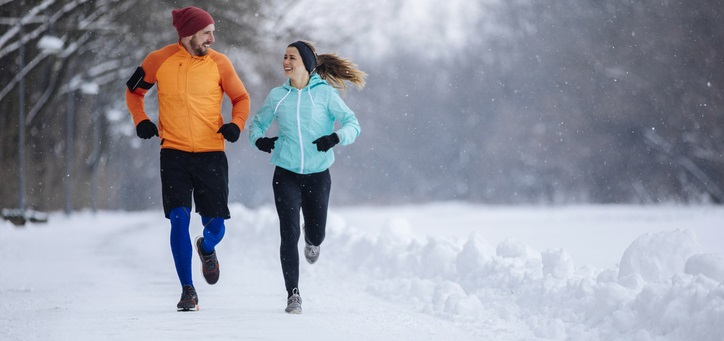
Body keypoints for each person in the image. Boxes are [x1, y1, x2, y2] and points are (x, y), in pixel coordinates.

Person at [125, 6, 250, 311]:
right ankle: (187, 290)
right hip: (174, 153)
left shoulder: (220, 63)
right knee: (179, 219)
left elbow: (241, 98)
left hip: (211, 154)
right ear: (189, 34)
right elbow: (133, 92)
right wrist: (140, 120)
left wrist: (235, 124)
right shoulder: (159, 60)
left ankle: (206, 248)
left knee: (216, 226)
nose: (212, 38)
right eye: (207, 32)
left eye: (212, 32)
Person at [248, 40, 365, 314]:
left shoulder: (325, 95)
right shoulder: (278, 96)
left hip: (318, 175)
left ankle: (313, 241)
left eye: (292, 58)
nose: (286, 62)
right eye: (284, 57)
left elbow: (353, 124)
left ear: (307, 64)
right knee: (288, 234)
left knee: (316, 233)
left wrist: (335, 137)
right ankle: (293, 294)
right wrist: (260, 141)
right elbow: (257, 124)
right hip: (285, 174)